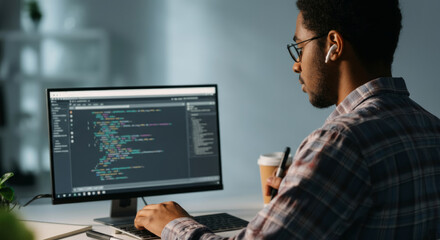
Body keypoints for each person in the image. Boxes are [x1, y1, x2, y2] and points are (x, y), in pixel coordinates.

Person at [134, 0, 440, 239]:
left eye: (301, 47)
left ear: (334, 45)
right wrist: (306, 194)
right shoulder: (430, 127)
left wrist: (174, 224)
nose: (297, 66)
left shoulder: (340, 141)